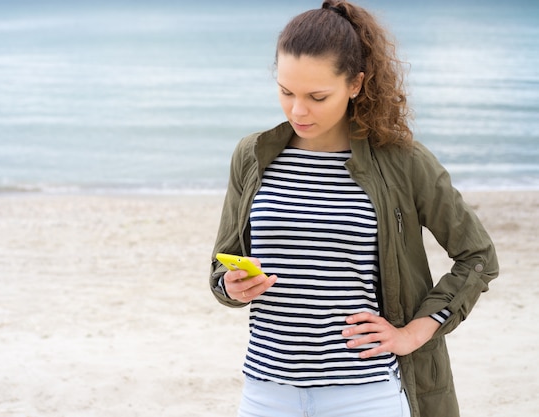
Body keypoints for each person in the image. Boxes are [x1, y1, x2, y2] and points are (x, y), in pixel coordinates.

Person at [209, 1, 499, 417]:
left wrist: (415, 332)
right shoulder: (253, 155)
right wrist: (231, 287)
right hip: (265, 392)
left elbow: (478, 256)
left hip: (363, 394)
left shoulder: (404, 162)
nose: (297, 110)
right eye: (286, 91)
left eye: (317, 96)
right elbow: (220, 268)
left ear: (356, 84)